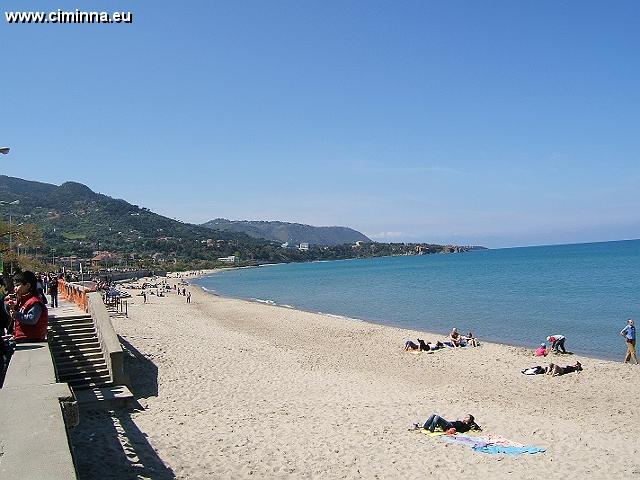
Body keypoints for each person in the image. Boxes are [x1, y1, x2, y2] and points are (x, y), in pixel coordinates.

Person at [3, 271, 49, 343]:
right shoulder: (21, 300)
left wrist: (16, 314)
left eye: (18, 285)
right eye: (15, 286)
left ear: (28, 285)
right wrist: (7, 304)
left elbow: (32, 319)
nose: (15, 288)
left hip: (31, 338)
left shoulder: (34, 302)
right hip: (21, 336)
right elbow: (11, 314)